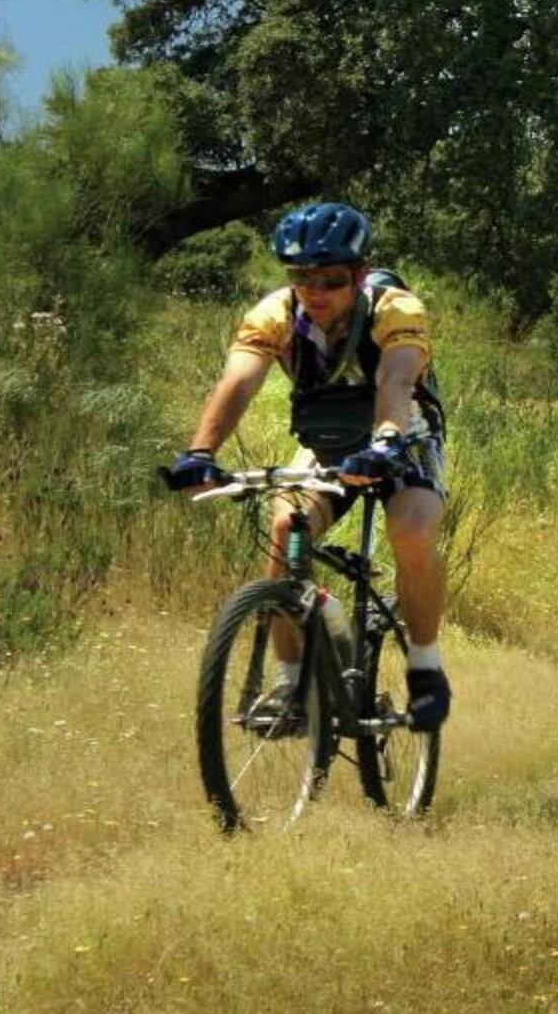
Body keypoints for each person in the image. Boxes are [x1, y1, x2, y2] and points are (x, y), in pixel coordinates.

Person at [164, 202, 452, 730]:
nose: (314, 291)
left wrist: (386, 440)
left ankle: (425, 666)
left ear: (360, 274)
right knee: (285, 528)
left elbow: (395, 380)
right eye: (300, 277)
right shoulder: (275, 314)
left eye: (330, 279)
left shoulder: (396, 308)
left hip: (404, 432)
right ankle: (291, 682)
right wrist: (200, 453)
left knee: (411, 530)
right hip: (330, 441)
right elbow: (238, 382)